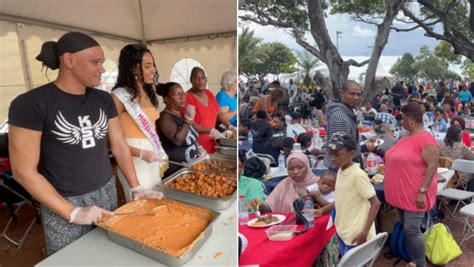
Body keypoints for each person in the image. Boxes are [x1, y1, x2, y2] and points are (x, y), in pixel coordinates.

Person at [8, 32, 161, 255]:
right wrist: (72, 212)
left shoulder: (103, 99)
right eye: (95, 62)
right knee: (72, 258)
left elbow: (118, 146)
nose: (103, 69)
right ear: (68, 60)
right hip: (62, 199)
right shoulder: (30, 103)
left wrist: (135, 186)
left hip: (106, 192)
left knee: (109, 253)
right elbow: (23, 171)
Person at [384, 102, 439, 267]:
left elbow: (432, 166)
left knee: (412, 230)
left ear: (411, 120)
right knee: (405, 227)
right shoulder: (405, 135)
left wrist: (422, 191)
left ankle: (420, 263)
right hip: (401, 192)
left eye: (403, 118)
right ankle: (414, 259)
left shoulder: (426, 138)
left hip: (415, 193)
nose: (401, 121)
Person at [111, 44, 167, 200]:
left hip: (152, 153)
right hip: (132, 157)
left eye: (153, 65)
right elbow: (109, 140)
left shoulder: (148, 92)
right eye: (147, 66)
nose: (153, 70)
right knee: (141, 204)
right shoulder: (118, 96)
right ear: (133, 69)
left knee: (158, 198)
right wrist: (140, 153)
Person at [325, 132, 380, 256]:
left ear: (352, 154)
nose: (333, 158)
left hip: (357, 234)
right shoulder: (340, 170)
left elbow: (375, 203)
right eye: (331, 154)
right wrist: (323, 210)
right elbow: (341, 199)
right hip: (344, 230)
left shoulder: (357, 174)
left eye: (338, 154)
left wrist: (364, 233)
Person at [248, 152, 319, 213]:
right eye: (291, 169)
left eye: (300, 167)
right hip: (285, 225)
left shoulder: (320, 184)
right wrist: (260, 205)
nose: (295, 172)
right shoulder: (286, 183)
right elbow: (269, 206)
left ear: (307, 167)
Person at [155, 82, 200, 177]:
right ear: (167, 99)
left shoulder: (180, 115)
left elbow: (194, 129)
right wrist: (187, 120)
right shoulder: (165, 118)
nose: (183, 97)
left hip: (190, 168)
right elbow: (177, 140)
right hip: (176, 171)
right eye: (178, 94)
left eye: (183, 93)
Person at [184, 67, 233, 153]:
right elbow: (190, 124)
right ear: (191, 80)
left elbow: (219, 112)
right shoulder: (187, 98)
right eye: (196, 77)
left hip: (212, 144)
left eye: (203, 77)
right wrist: (211, 131)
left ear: (206, 80)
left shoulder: (209, 93)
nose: (200, 80)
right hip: (197, 147)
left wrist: (230, 126)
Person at [324, 81, 363, 169]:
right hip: (340, 168)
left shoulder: (345, 111)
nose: (356, 98)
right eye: (352, 94)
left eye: (358, 94)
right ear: (342, 93)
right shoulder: (340, 117)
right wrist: (364, 147)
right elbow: (341, 149)